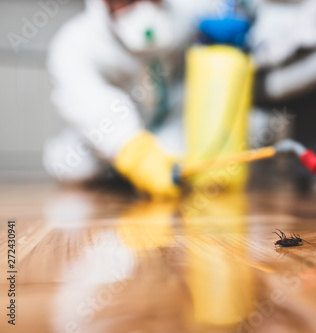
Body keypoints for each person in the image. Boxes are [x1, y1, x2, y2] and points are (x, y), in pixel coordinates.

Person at [43, 0, 214, 199]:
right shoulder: (74, 42)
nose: (143, 7)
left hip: (171, 122)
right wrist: (134, 151)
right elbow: (86, 100)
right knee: (70, 165)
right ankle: (121, 177)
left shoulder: (190, 11)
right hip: (110, 138)